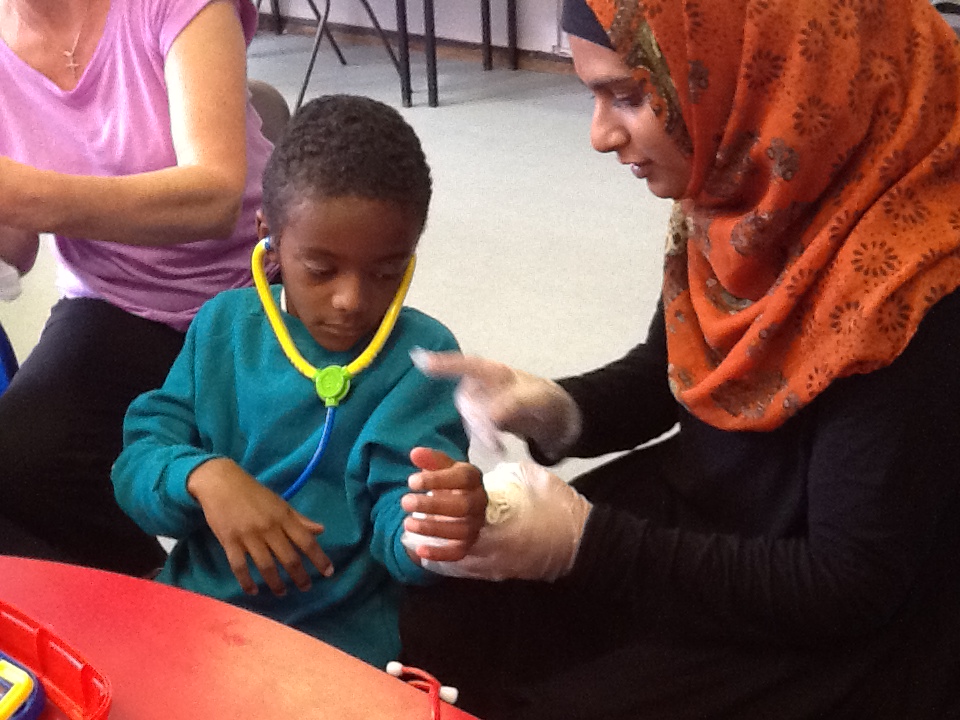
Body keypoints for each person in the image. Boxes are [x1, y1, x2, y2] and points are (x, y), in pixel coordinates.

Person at [397, 0, 960, 717]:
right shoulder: (749, 188)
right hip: (721, 520)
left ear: (777, 75)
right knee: (450, 615)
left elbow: (847, 584)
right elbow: (675, 370)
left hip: (828, 603)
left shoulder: (913, 281)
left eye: (629, 96)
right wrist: (559, 408)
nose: (600, 135)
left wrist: (585, 547)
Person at [111, 94, 487, 668]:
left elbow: (403, 532)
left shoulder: (423, 358)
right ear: (269, 237)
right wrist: (203, 476)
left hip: (334, 647)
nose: (351, 300)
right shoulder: (222, 328)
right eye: (321, 270)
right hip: (196, 617)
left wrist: (435, 530)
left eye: (386, 272)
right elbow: (138, 465)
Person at [0, 0, 274, 576]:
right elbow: (15, 249)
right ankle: (161, 602)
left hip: (257, 285)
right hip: (113, 299)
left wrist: (19, 194)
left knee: (315, 486)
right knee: (14, 470)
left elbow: (214, 198)